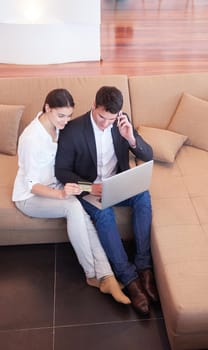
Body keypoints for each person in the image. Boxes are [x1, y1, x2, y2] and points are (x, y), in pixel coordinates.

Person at [12, 88, 130, 305]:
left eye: (69, 116)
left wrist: (76, 187)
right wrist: (60, 194)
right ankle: (92, 274)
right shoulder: (31, 138)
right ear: (47, 108)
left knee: (84, 215)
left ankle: (107, 276)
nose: (66, 121)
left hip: (55, 185)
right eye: (61, 115)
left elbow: (62, 169)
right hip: (30, 196)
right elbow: (31, 184)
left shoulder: (57, 128)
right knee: (73, 207)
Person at [55, 86, 158, 315]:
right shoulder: (73, 130)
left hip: (117, 184)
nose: (105, 123)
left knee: (143, 195)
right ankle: (129, 278)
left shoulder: (122, 123)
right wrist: (90, 187)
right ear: (94, 106)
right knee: (104, 214)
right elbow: (61, 171)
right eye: (101, 117)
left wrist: (130, 138)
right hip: (90, 189)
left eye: (110, 119)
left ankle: (144, 267)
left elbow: (148, 155)